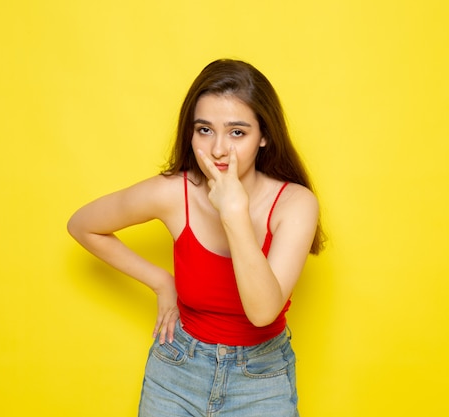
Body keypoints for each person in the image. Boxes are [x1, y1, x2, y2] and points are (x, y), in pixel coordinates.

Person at [67, 58, 324, 417]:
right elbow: (83, 224)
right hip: (177, 369)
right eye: (205, 130)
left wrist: (234, 213)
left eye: (237, 132)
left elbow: (263, 311)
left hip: (262, 378)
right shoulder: (173, 193)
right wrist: (161, 282)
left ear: (264, 136)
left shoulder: (295, 204)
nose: (219, 149)